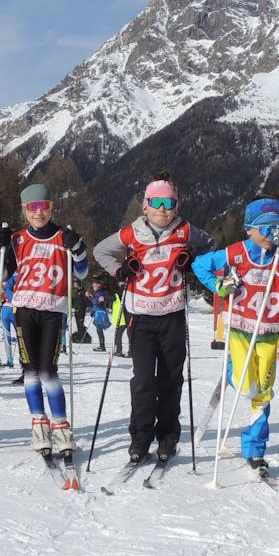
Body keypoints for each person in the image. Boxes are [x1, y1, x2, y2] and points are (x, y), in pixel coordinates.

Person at [94, 171, 215, 462]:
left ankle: (168, 435)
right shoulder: (132, 233)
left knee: (171, 379)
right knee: (144, 380)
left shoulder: (185, 231)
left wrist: (192, 262)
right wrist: (120, 271)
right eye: (156, 202)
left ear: (177, 206)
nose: (163, 208)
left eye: (169, 203)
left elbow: (210, 244)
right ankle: (141, 436)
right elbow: (101, 251)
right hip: (141, 317)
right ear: (145, 205)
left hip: (172, 314)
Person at [192, 196, 279, 478]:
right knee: (247, 387)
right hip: (242, 327)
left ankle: (255, 449)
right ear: (250, 229)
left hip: (269, 331)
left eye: (276, 227)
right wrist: (219, 285)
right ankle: (232, 371)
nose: (271, 234)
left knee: (263, 392)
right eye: (265, 228)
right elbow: (200, 265)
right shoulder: (238, 252)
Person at [0, 183, 88, 458]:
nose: (38, 213)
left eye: (43, 207)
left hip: (53, 310)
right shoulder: (18, 239)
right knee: (31, 370)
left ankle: (61, 426)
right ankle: (39, 424)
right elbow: (1, 270)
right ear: (25, 210)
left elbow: (81, 272)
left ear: (51, 207)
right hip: (23, 309)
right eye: (32, 208)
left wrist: (78, 248)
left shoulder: (63, 236)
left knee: (49, 370)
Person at [89, 278, 111, 351]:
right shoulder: (98, 293)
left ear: (97, 286)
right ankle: (101, 345)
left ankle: (102, 346)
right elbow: (95, 302)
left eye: (94, 287)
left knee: (99, 329)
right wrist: (90, 297)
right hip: (98, 311)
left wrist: (100, 300)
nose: (93, 288)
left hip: (100, 312)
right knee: (99, 330)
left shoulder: (100, 293)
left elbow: (97, 303)